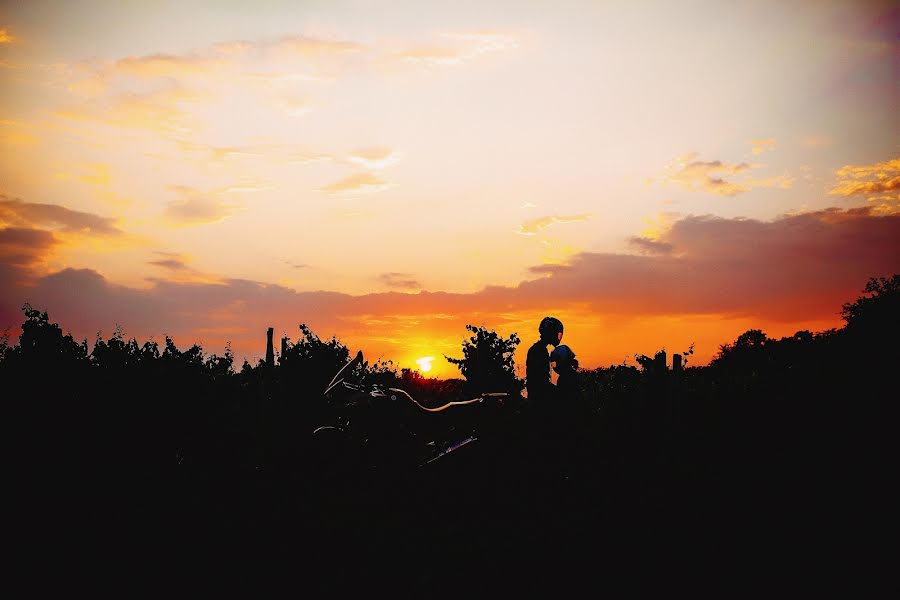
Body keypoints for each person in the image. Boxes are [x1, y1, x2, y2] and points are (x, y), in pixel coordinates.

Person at [526, 316, 564, 409]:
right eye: (556, 333)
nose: (558, 337)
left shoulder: (539, 349)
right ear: (550, 333)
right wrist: (557, 392)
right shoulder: (539, 351)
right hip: (538, 400)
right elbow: (540, 381)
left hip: (537, 396)